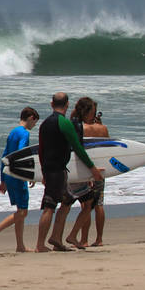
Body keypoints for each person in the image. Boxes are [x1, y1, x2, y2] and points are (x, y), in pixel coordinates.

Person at [35, 92, 104, 252]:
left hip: (51, 169)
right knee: (50, 207)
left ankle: (56, 239)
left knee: (64, 204)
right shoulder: (64, 123)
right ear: (66, 105)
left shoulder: (44, 124)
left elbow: (41, 150)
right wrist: (92, 169)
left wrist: (43, 172)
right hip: (58, 170)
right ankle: (40, 245)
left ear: (52, 104)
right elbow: (78, 148)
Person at [0, 107, 39, 252]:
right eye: (35, 122)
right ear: (31, 117)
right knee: (23, 212)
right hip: (17, 176)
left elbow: (4, 156)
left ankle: (20, 246)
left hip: (8, 175)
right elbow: (22, 153)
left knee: (20, 210)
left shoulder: (13, 132)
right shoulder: (24, 133)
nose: (34, 126)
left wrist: (2, 179)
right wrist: (30, 174)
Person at [64, 97, 102, 249]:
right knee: (89, 204)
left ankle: (65, 238)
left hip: (71, 170)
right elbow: (78, 150)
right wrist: (91, 171)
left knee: (68, 205)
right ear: (86, 112)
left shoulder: (71, 123)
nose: (93, 115)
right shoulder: (77, 126)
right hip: (79, 170)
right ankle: (73, 236)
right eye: (92, 112)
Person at [73, 104, 109, 247]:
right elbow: (108, 148)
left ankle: (84, 239)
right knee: (99, 204)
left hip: (88, 169)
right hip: (101, 170)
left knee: (85, 205)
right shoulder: (104, 128)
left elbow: (80, 150)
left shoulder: (83, 128)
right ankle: (99, 239)